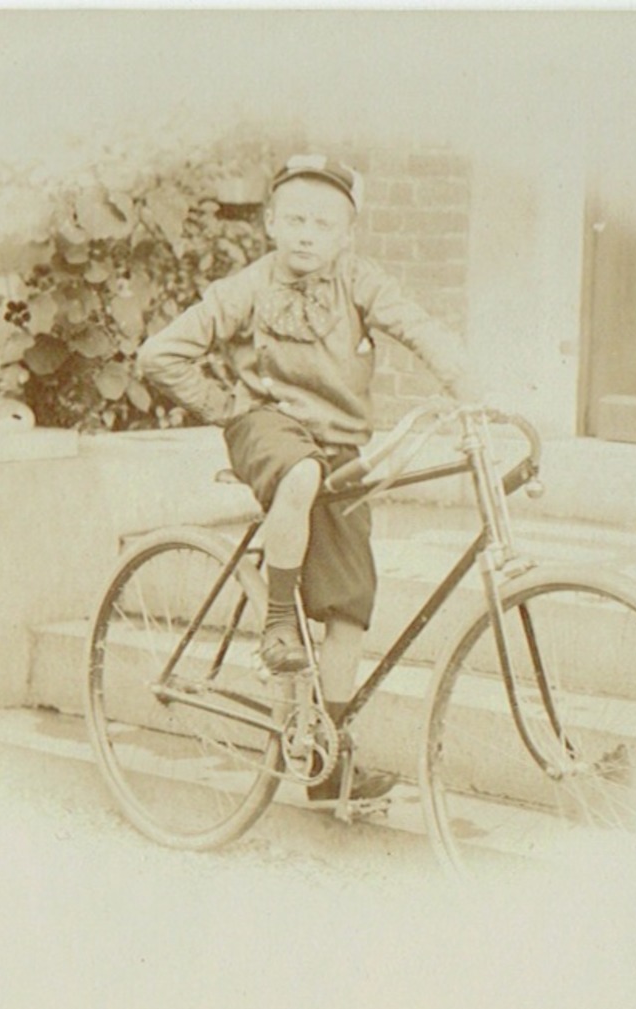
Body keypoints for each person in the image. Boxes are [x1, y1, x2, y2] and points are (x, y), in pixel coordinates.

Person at [137, 154, 466, 803]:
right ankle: (279, 621)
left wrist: (470, 385)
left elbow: (419, 328)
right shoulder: (249, 287)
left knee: (349, 613)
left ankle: (326, 759)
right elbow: (160, 353)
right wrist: (229, 407)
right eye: (294, 219)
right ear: (270, 224)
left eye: (323, 223)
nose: (307, 234)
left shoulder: (360, 283)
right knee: (301, 471)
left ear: (347, 236)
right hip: (270, 431)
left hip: (340, 447)